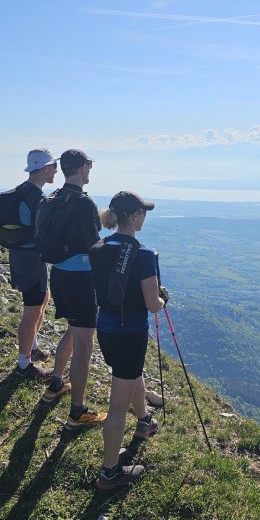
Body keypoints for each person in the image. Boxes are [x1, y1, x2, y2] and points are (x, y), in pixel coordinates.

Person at [89, 191, 167, 490]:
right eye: (142, 213)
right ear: (133, 216)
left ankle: (145, 421)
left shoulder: (97, 248)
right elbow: (152, 304)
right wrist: (163, 299)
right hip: (130, 332)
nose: (144, 217)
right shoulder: (143, 255)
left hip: (106, 328)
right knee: (117, 405)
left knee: (129, 375)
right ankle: (109, 473)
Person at [43, 148, 106, 429]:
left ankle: (56, 382)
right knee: (84, 343)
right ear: (81, 168)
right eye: (89, 164)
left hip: (58, 274)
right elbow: (95, 244)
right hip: (81, 279)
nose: (90, 169)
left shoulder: (53, 198)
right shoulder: (84, 202)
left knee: (73, 328)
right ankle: (77, 412)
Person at [8, 148, 57, 379]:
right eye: (53, 166)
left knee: (42, 297)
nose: (56, 170)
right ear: (45, 168)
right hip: (31, 258)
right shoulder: (38, 198)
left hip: (20, 254)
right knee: (32, 308)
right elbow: (41, 232)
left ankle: (33, 347)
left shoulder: (22, 191)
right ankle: (24, 364)